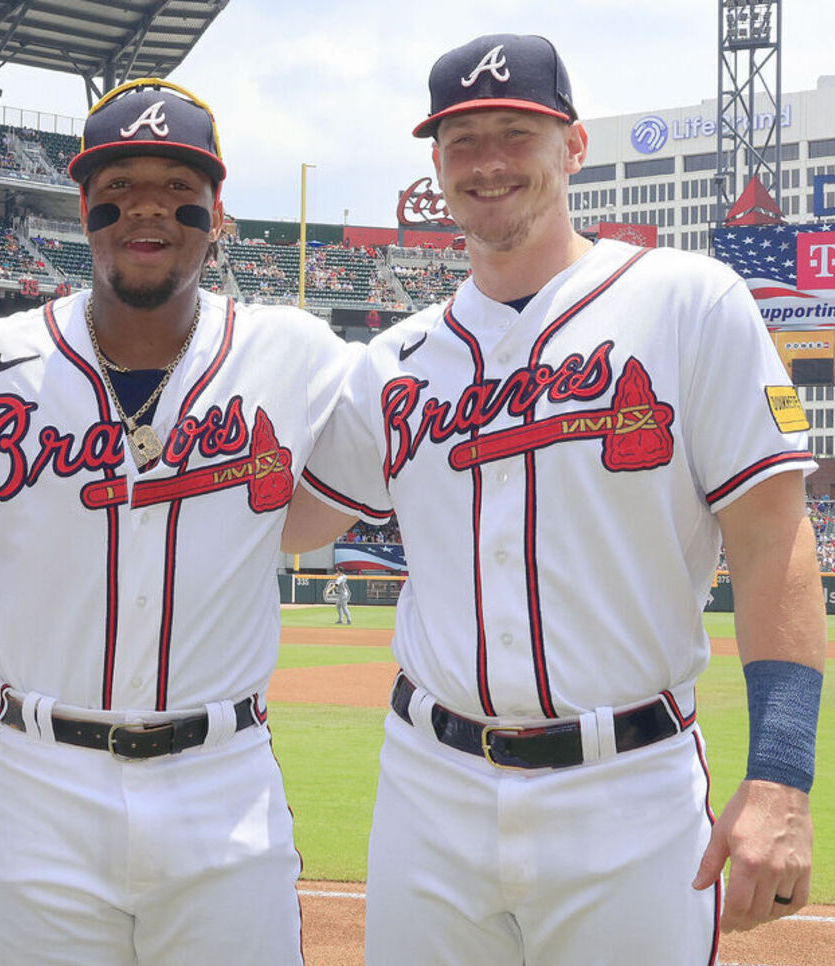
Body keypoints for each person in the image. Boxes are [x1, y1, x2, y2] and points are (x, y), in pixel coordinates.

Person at [284, 33, 825, 965]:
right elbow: (287, 521)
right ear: (437, 165)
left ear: (572, 147)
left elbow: (775, 539)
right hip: (430, 789)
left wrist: (781, 779)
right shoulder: (396, 361)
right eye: (461, 141)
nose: (488, 162)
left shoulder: (687, 302)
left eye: (515, 133)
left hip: (628, 788)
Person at [0, 78, 352, 965]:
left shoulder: (296, 354)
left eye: (176, 189)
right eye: (119, 186)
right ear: (84, 208)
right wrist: (45, 574)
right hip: (42, 780)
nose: (145, 209)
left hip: (221, 778)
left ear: (217, 212)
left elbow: (341, 505)